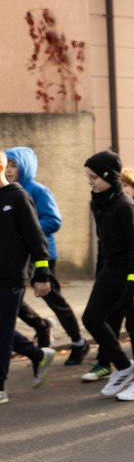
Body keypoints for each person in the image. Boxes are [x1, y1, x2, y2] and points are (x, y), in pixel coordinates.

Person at [81, 151, 134, 401]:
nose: (90, 182)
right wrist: (99, 271)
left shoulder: (126, 205)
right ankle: (124, 368)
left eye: (94, 177)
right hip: (110, 269)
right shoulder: (97, 201)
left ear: (108, 176)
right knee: (92, 318)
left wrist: (132, 285)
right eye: (88, 177)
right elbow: (102, 241)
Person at [4, 147, 88, 364]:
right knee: (14, 302)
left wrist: (22, 229)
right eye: (9, 164)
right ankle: (41, 326)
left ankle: (79, 342)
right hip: (16, 260)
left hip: (42, 255)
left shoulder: (36, 190)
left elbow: (53, 220)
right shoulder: (5, 192)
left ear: (26, 166)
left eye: (15, 165)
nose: (11, 170)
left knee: (54, 299)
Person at [0, 149, 56, 405]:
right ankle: (36, 355)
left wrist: (42, 274)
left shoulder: (19, 197)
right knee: (3, 329)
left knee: (2, 332)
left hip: (12, 276)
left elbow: (36, 238)